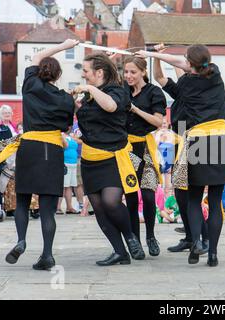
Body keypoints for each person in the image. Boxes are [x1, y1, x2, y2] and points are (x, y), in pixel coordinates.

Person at [138, 44, 225, 267]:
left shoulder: (186, 84)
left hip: (198, 139)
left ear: (190, 64)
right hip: (220, 137)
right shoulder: (215, 74)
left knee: (193, 198)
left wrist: (152, 54)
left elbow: (170, 71)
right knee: (215, 199)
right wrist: (157, 55)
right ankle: (213, 254)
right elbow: (182, 63)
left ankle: (197, 242)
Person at [0, 39, 78, 270]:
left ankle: (21, 240)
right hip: (51, 149)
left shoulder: (30, 84)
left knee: (22, 200)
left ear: (40, 71)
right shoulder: (66, 98)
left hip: (29, 147)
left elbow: (36, 56)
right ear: (58, 75)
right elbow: (67, 128)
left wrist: (64, 45)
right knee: (47, 208)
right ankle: (47, 255)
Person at [74, 53, 140, 266]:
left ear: (99, 72)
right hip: (90, 159)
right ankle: (119, 251)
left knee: (111, 202)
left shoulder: (117, 92)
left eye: (86, 71)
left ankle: (130, 237)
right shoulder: (87, 98)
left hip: (112, 157)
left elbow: (110, 106)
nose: (83, 75)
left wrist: (90, 89)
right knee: (99, 208)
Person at [150, 45, 209, 256]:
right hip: (180, 136)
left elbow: (179, 68)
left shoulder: (198, 87)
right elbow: (159, 76)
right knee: (182, 193)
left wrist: (157, 54)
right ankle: (191, 236)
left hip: (193, 137)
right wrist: (156, 57)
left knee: (191, 193)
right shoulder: (183, 88)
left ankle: (203, 238)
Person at [122, 56, 166, 259]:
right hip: (127, 149)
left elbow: (158, 121)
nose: (128, 76)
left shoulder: (154, 92)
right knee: (131, 196)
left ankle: (150, 236)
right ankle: (135, 242)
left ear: (143, 72)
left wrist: (135, 109)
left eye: (133, 72)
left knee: (148, 195)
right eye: (126, 72)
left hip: (145, 147)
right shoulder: (122, 90)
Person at [58, 129, 79, 214]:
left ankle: (69, 207)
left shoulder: (71, 136)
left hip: (73, 163)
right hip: (65, 163)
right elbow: (65, 146)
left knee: (70, 186)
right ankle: (58, 207)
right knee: (63, 186)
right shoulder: (61, 135)